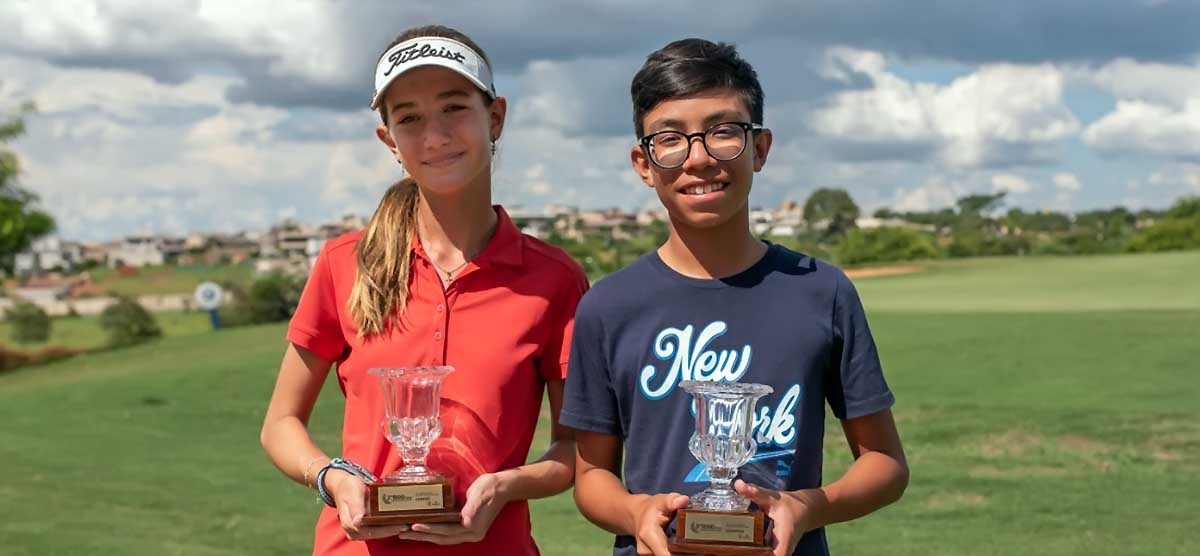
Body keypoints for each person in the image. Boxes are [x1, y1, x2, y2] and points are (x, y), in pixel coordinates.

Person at [562, 38, 909, 556]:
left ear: (760, 148)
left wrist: (810, 505)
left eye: (724, 132)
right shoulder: (609, 306)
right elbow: (591, 478)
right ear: (643, 162)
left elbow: (885, 463)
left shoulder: (820, 290)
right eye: (671, 139)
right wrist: (636, 511)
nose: (699, 158)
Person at [260, 25, 588, 556]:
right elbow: (280, 423)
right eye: (409, 118)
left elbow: (577, 449)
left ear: (496, 117)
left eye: (455, 107)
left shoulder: (554, 279)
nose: (434, 136)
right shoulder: (345, 263)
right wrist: (334, 478)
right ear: (389, 140)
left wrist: (507, 485)